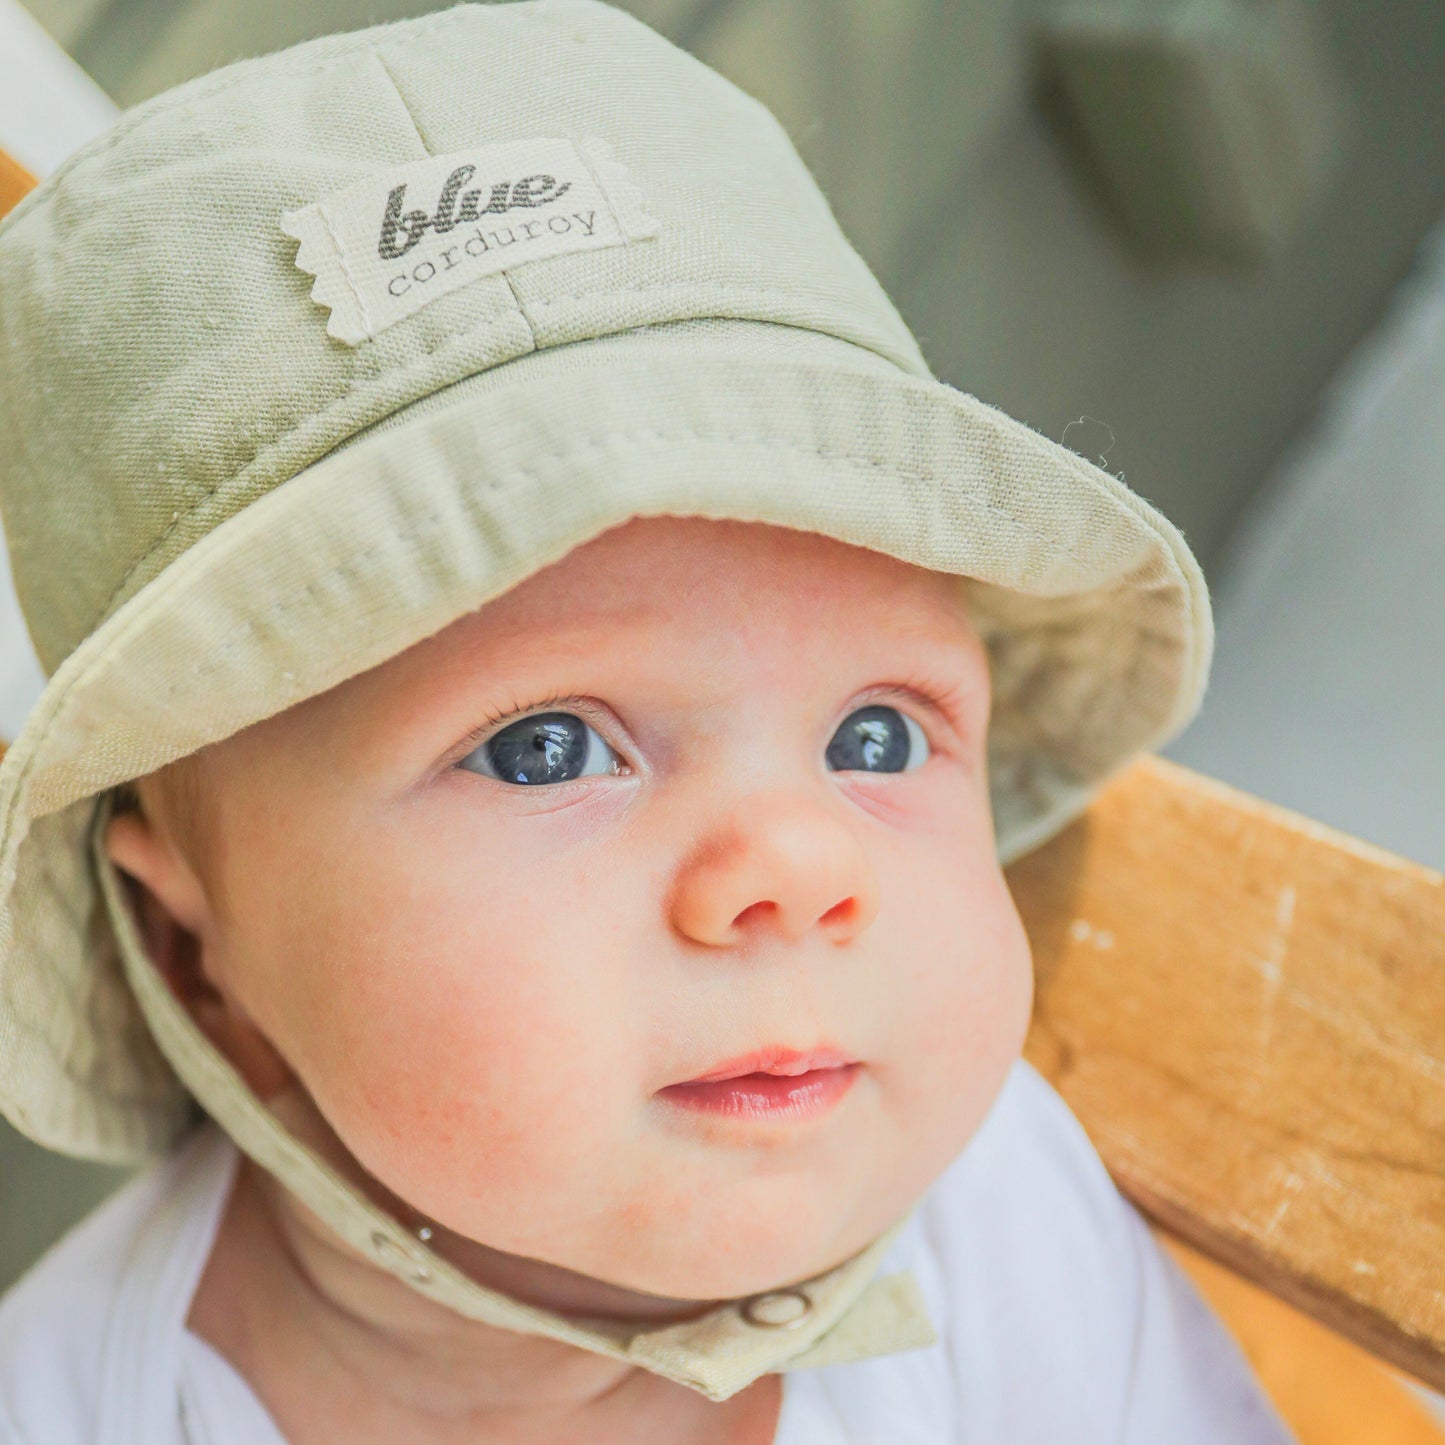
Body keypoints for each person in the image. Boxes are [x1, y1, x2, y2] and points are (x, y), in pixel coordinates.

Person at [0, 2, 1296, 1441]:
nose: (798, 867)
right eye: (544, 746)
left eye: (874, 735)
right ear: (200, 954)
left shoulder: (996, 1216)